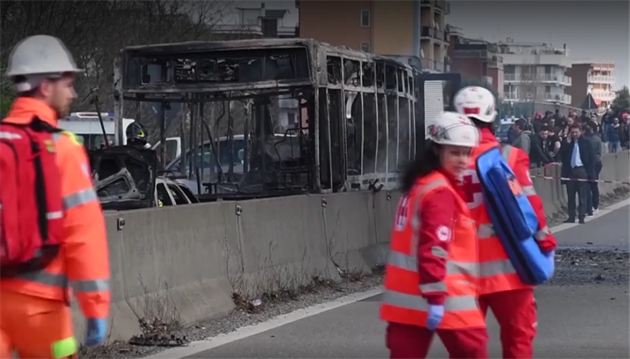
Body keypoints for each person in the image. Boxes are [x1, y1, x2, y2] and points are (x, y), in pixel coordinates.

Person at [0, 35, 110, 358]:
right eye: (68, 82)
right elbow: (84, 235)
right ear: (45, 86)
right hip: (42, 310)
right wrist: (95, 307)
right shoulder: (63, 148)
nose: (73, 93)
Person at [453, 86, 557, 359]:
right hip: (509, 269)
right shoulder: (508, 156)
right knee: (518, 340)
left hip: (461, 271)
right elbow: (530, 207)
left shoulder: (444, 160)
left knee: (467, 348)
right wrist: (545, 242)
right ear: (492, 118)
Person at [381, 112, 488, 359]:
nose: (463, 160)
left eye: (467, 153)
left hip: (406, 298)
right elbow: (434, 247)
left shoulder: (419, 185)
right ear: (437, 151)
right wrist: (436, 297)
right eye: (455, 153)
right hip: (445, 295)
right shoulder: (439, 191)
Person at [561, 124, 595, 224]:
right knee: (570, 195)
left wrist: (589, 172)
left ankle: (581, 216)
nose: (574, 134)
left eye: (576, 132)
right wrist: (566, 143)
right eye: (572, 132)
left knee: (582, 195)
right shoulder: (568, 142)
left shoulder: (586, 142)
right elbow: (562, 155)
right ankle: (571, 216)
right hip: (570, 171)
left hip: (582, 170)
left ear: (580, 131)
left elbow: (592, 158)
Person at [584, 122, 603, 216]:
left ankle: (594, 206)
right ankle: (591, 206)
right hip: (595, 163)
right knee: (591, 185)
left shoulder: (592, 139)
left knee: (593, 185)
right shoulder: (593, 138)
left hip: (594, 164)